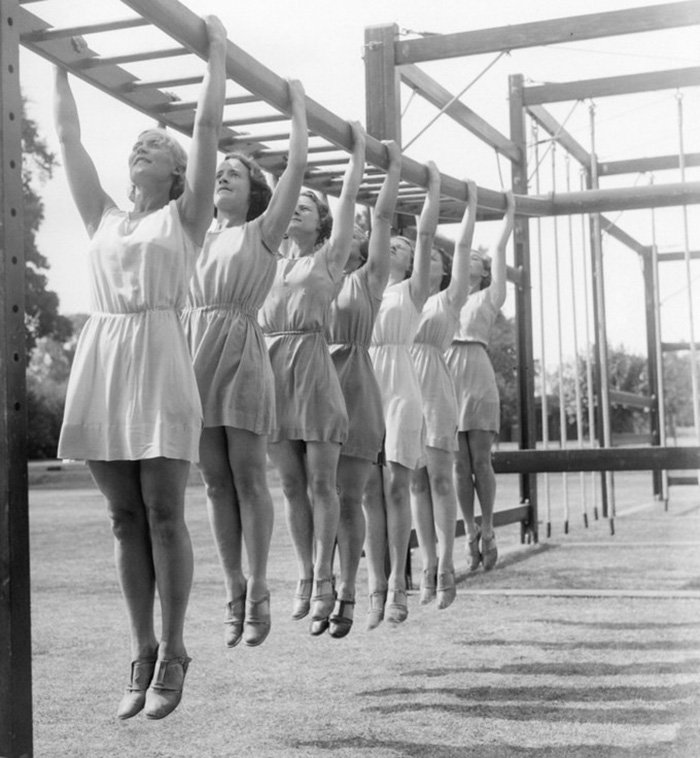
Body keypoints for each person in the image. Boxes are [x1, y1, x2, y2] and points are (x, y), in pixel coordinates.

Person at [52, 17, 226, 721]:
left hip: (156, 355)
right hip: (103, 356)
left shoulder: (185, 219)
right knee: (124, 520)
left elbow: (209, 131)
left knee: (162, 510)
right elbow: (68, 139)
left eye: (158, 143)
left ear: (177, 172)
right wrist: (54, 62)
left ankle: (178, 648)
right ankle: (142, 649)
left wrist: (214, 57)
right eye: (138, 142)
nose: (143, 144)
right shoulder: (100, 217)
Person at [181, 81, 308, 649]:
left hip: (240, 350)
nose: (224, 174)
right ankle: (233, 587)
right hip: (192, 352)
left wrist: (298, 112)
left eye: (237, 170)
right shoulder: (191, 234)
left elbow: (297, 170)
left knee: (249, 476)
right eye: (221, 170)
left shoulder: (264, 232)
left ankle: (259, 586)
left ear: (255, 189)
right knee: (213, 483)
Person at [259, 123, 366, 636]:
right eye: (290, 203)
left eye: (307, 204)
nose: (296, 208)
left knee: (324, 483)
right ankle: (305, 574)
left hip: (314, 367)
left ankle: (327, 576)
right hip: (271, 371)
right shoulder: (267, 260)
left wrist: (358, 153)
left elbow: (347, 202)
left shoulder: (329, 258)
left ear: (321, 221)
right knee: (289, 483)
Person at [326, 140, 402, 638]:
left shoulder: (369, 280)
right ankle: (320, 584)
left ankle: (350, 588)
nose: (349, 233)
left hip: (353, 381)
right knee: (312, 493)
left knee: (348, 494)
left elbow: (380, 218)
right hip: (309, 379)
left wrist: (388, 171)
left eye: (355, 230)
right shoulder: (312, 273)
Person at [363, 161, 441, 629]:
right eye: (387, 242)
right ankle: (375, 584)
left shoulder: (413, 291)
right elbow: (368, 225)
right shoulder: (366, 285)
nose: (393, 245)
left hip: (401, 383)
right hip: (365, 379)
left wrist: (430, 193)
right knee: (368, 490)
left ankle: (398, 583)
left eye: (401, 245)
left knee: (396, 484)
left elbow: (425, 235)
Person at [409, 182, 478, 610]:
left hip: (434, 384)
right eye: (425, 254)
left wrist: (469, 206)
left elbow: (466, 247)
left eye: (437, 256)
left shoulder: (449, 300)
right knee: (415, 481)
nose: (429, 258)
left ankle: (448, 563)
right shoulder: (398, 296)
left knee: (439, 477)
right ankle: (428, 563)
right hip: (401, 387)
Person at [446, 191, 515, 573]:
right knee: (458, 463)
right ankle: (469, 531)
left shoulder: (490, 297)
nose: (470, 257)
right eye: (465, 255)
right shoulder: (447, 297)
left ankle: (488, 528)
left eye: (476, 257)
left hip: (477, 368)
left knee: (480, 459)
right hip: (448, 372)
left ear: (484, 270)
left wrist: (508, 216)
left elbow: (501, 252)